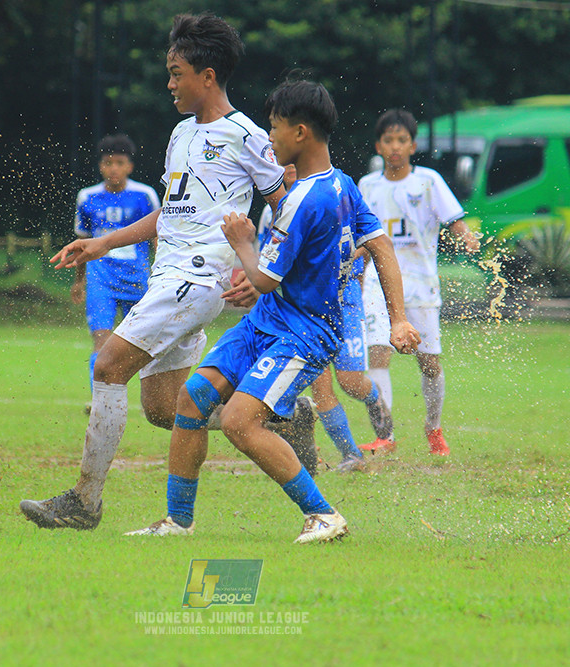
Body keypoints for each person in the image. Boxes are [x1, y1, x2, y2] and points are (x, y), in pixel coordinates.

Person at [18, 12, 292, 531]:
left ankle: (83, 502)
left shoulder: (245, 135)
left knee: (106, 366)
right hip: (168, 275)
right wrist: (101, 242)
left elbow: (286, 204)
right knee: (167, 410)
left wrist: (259, 271)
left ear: (206, 77)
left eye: (176, 72)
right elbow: (170, 210)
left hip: (198, 278)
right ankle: (268, 413)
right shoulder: (180, 134)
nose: (169, 84)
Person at [125, 78, 420, 543]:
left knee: (240, 422)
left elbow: (263, 278)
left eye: (275, 128)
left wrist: (243, 244)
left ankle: (323, 514)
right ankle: (177, 521)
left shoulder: (303, 199)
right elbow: (380, 246)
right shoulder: (340, 184)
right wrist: (399, 316)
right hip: (268, 321)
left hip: (304, 334)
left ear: (300, 133)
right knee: (192, 398)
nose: (268, 138)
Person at [357, 109, 480, 457]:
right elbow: (363, 240)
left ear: (412, 146)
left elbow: (454, 220)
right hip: (377, 286)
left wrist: (467, 237)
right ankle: (385, 433)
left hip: (420, 286)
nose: (395, 147)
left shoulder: (428, 181)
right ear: (379, 146)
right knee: (377, 353)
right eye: (388, 140)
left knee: (428, 362)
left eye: (401, 140)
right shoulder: (368, 186)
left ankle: (433, 427)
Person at [257, 169, 392, 473]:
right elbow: (267, 259)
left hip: (344, 302)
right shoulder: (272, 212)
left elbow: (369, 241)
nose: (287, 168)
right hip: (306, 308)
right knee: (321, 386)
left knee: (351, 381)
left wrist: (345, 264)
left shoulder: (334, 195)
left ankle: (373, 398)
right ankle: (352, 455)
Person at [72, 134, 159, 392]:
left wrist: (160, 275)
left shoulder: (145, 195)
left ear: (130, 166)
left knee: (146, 341)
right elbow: (82, 244)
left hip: (138, 277)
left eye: (120, 163)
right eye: (108, 163)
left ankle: (152, 398)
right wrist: (79, 281)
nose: (114, 169)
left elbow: (156, 239)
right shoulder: (87, 197)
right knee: (101, 338)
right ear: (100, 166)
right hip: (101, 279)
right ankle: (98, 398)